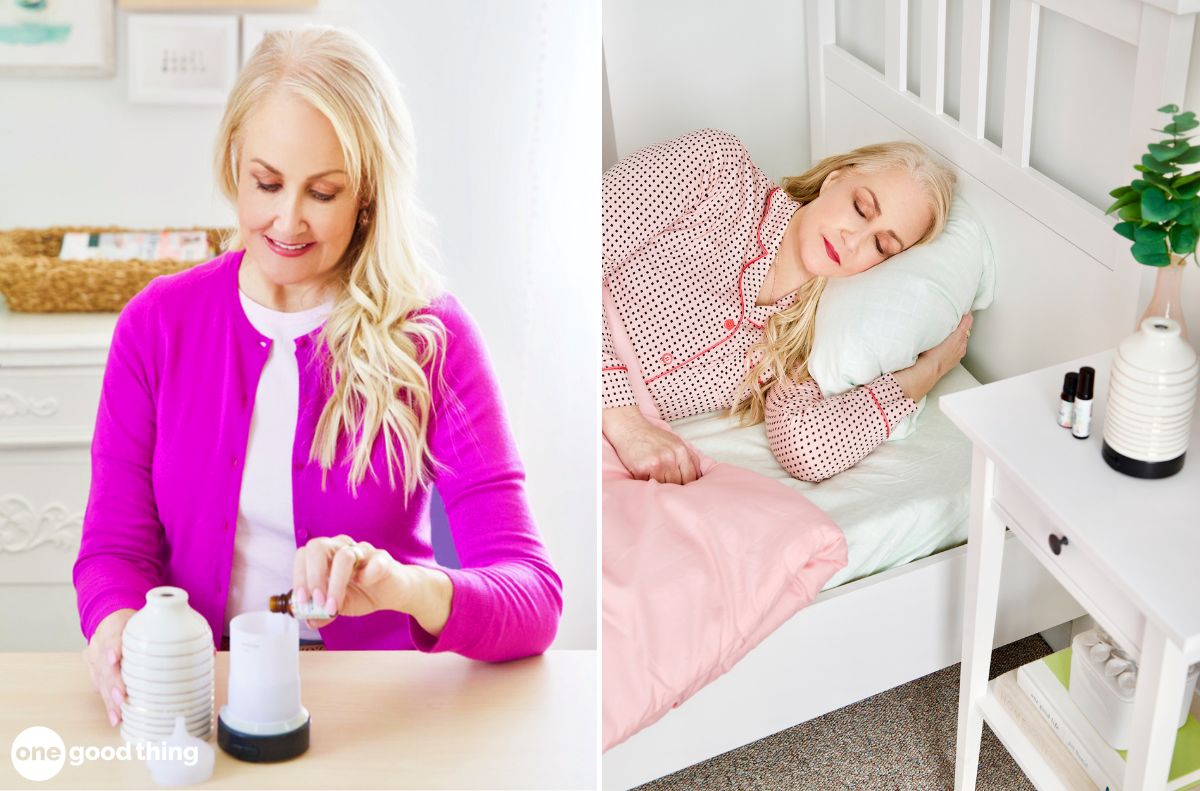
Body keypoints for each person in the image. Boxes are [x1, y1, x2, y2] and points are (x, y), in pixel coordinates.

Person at [76, 26, 562, 731]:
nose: (288, 219)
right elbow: (115, 550)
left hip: (380, 711)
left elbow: (534, 599)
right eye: (266, 182)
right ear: (234, 164)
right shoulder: (156, 326)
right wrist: (117, 625)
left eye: (324, 192)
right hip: (197, 703)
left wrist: (406, 587)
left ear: (367, 194)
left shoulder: (433, 338)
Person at [602, 128, 971, 484]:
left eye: (881, 246)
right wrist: (626, 423)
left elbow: (806, 448)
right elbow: (562, 255)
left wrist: (927, 372)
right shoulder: (719, 169)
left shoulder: (812, 333)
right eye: (860, 208)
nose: (853, 240)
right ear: (834, 180)